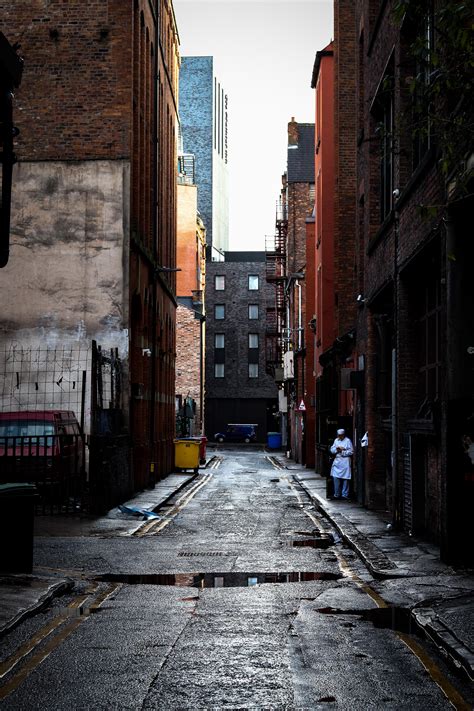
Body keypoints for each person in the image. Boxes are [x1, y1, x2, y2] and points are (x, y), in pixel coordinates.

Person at [330, 428, 354, 500]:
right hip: (337, 461)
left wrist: (342, 451)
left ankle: (344, 494)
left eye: (341, 435)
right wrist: (336, 450)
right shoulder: (336, 440)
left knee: (345, 479)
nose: (340, 437)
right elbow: (332, 450)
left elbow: (351, 451)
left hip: (345, 461)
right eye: (339, 435)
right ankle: (336, 494)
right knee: (335, 477)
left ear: (344, 435)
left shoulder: (348, 441)